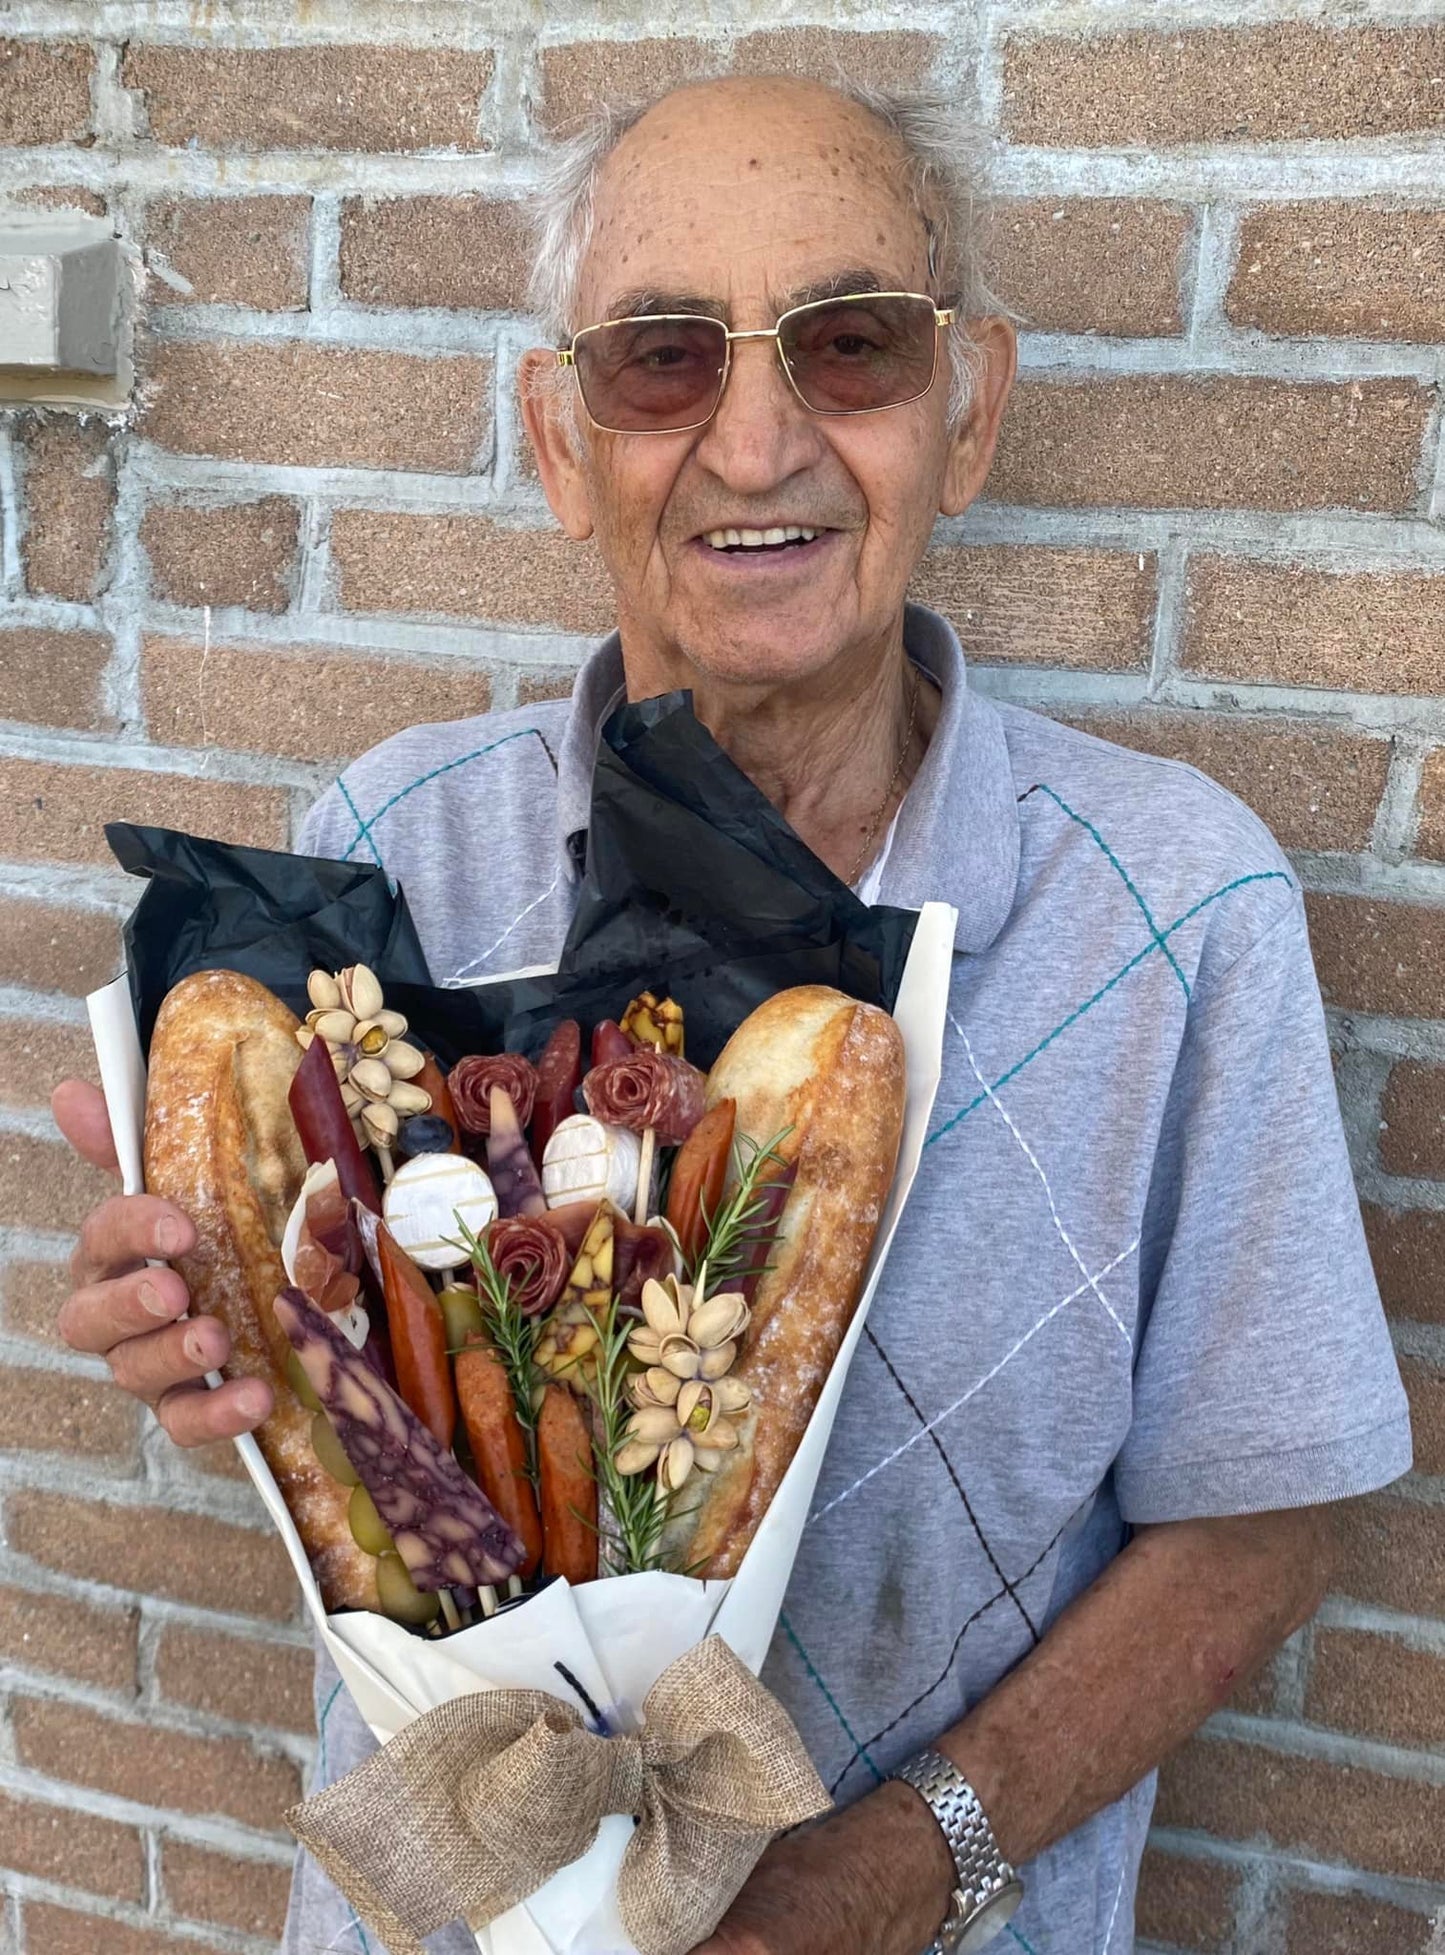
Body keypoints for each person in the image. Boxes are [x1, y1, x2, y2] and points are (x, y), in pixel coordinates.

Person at [52, 75, 1410, 1955]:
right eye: (660, 360)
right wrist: (220, 1334)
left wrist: (884, 1876)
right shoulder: (383, 856)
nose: (757, 440)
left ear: (969, 410)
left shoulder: (1179, 909)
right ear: (558, 438)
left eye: (852, 346)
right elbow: (334, 1409)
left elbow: (1259, 1527)